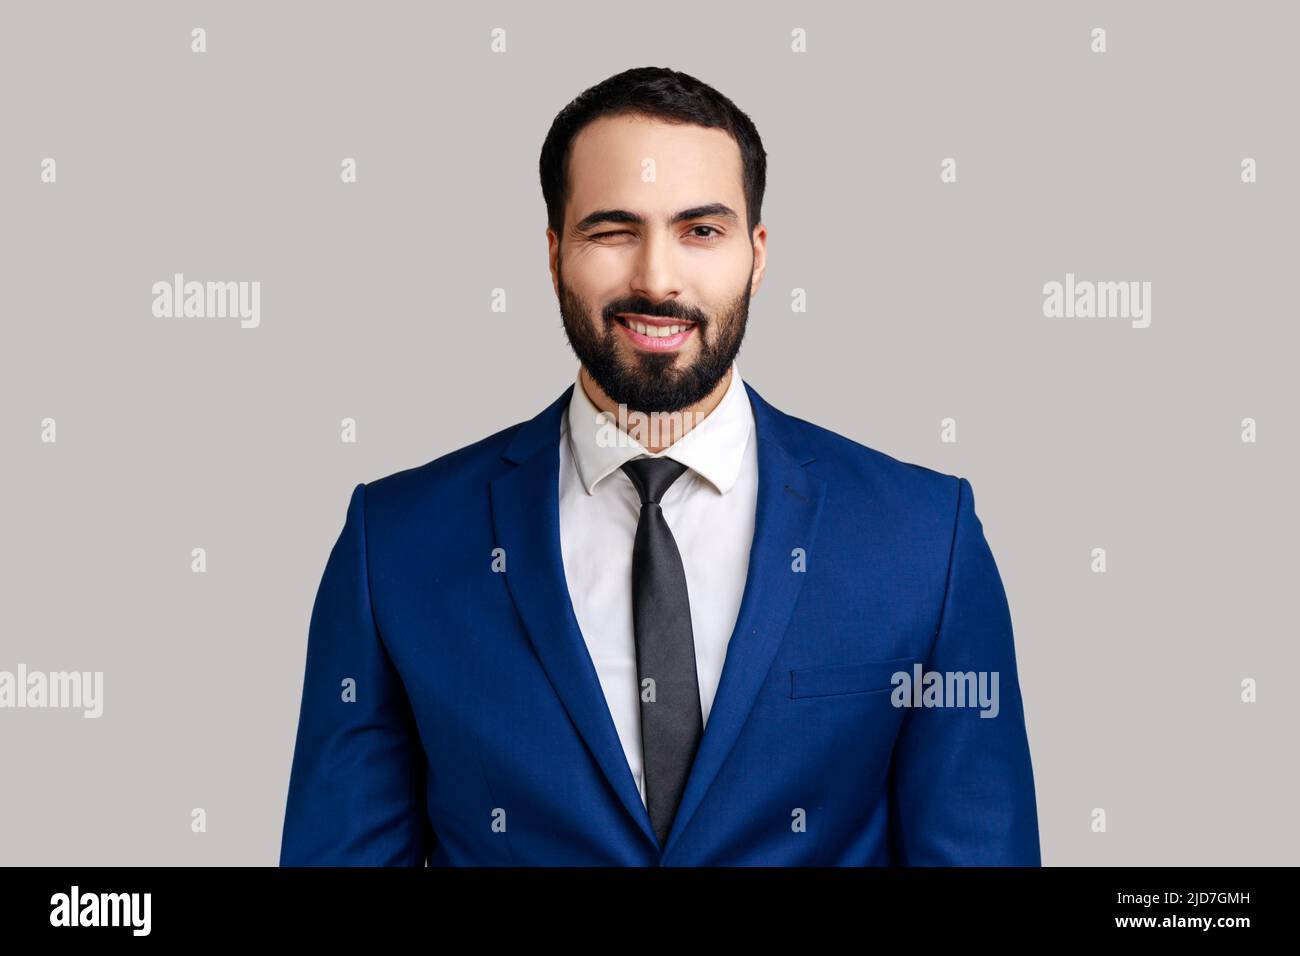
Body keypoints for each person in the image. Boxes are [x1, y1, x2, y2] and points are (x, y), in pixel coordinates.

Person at [279, 66, 1041, 866]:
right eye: (612, 230)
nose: (656, 278)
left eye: (700, 231)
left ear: (757, 253)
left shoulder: (925, 539)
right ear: (553, 253)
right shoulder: (395, 544)